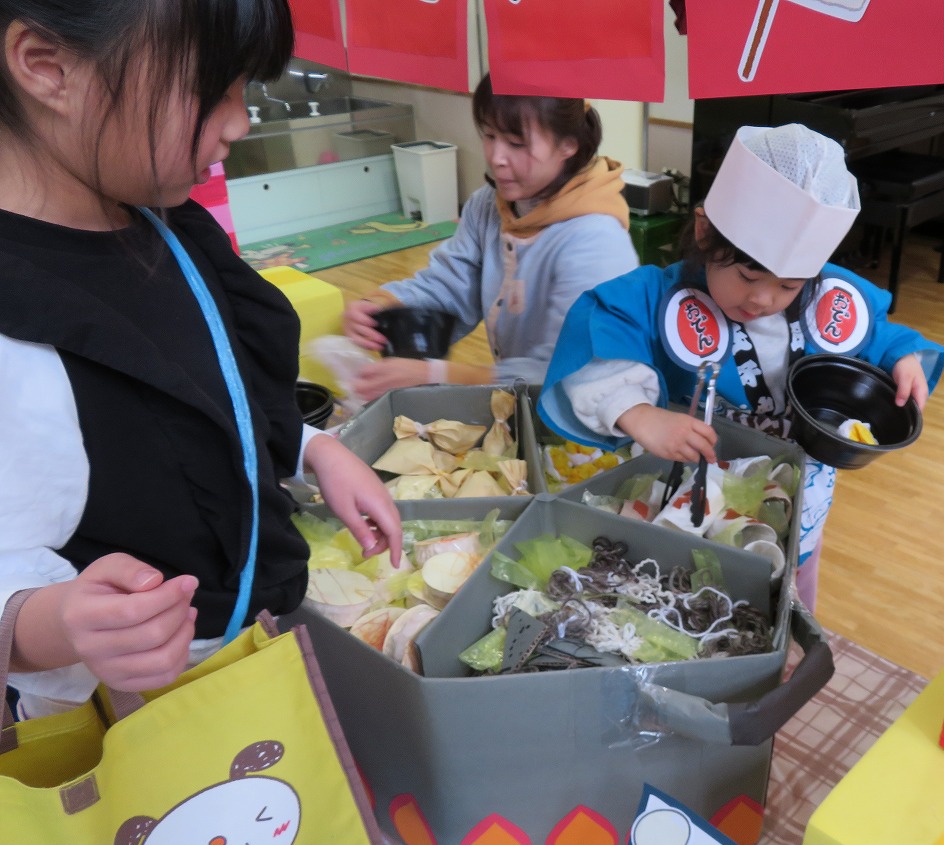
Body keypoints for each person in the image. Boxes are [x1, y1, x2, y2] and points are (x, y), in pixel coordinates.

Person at [0, 0, 401, 717]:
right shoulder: (17, 311)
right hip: (124, 704)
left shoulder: (169, 229)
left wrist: (312, 449)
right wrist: (54, 622)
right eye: (212, 88)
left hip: (253, 645)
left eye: (245, 88)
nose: (239, 123)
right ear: (46, 66)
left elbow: (209, 398)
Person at [537, 124, 944, 611]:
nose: (762, 299)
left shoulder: (829, 296)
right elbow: (600, 333)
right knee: (696, 593)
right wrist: (640, 414)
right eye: (748, 275)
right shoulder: (657, 296)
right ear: (704, 231)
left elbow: (876, 332)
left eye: (789, 286)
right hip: (694, 487)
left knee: (788, 582)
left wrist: (902, 358)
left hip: (799, 492)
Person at [341, 73, 639, 398]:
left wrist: (437, 374)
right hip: (519, 397)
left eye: (517, 143)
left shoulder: (594, 239)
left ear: (568, 145)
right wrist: (384, 304)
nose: (497, 158)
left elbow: (570, 372)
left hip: (585, 410)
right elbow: (452, 284)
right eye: (489, 135)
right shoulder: (488, 204)